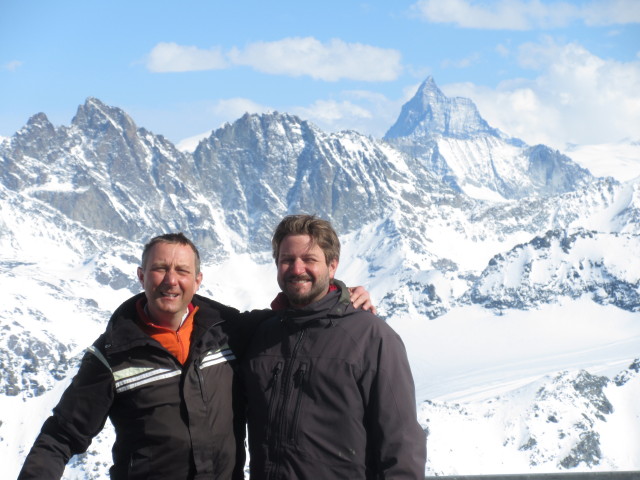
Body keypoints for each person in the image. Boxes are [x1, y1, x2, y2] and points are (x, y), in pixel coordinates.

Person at [18, 232, 373, 480]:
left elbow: (294, 318)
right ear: (142, 276)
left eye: (182, 271)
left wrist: (342, 297)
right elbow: (60, 437)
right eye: (160, 268)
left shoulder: (228, 330)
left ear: (198, 280)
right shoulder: (112, 355)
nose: (170, 280)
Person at [241, 215, 427, 479]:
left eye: (309, 260)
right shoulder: (261, 334)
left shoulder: (370, 337)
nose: (297, 269)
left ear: (332, 266)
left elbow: (401, 443)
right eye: (287, 260)